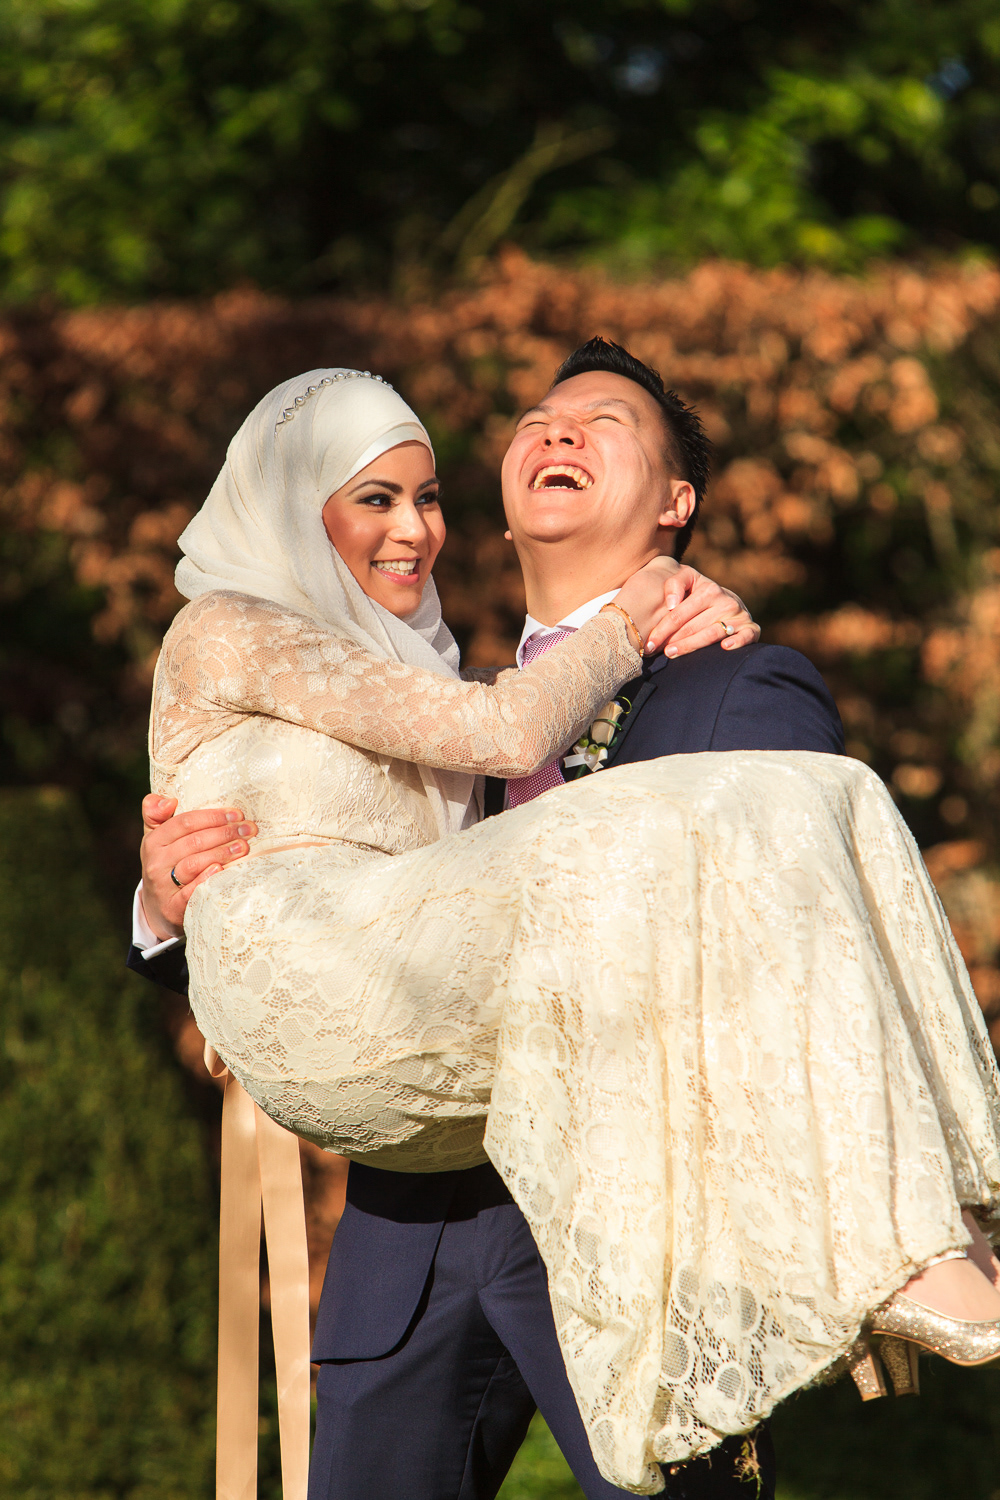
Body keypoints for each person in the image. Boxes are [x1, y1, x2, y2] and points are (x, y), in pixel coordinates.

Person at [129, 348, 1000, 1499]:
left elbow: (776, 944)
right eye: (538, 418)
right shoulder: (447, 700)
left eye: (604, 420)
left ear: (676, 502)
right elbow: (338, 882)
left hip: (633, 1218)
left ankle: (919, 1232)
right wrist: (165, 904)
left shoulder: (738, 683)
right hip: (417, 1222)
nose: (558, 431)